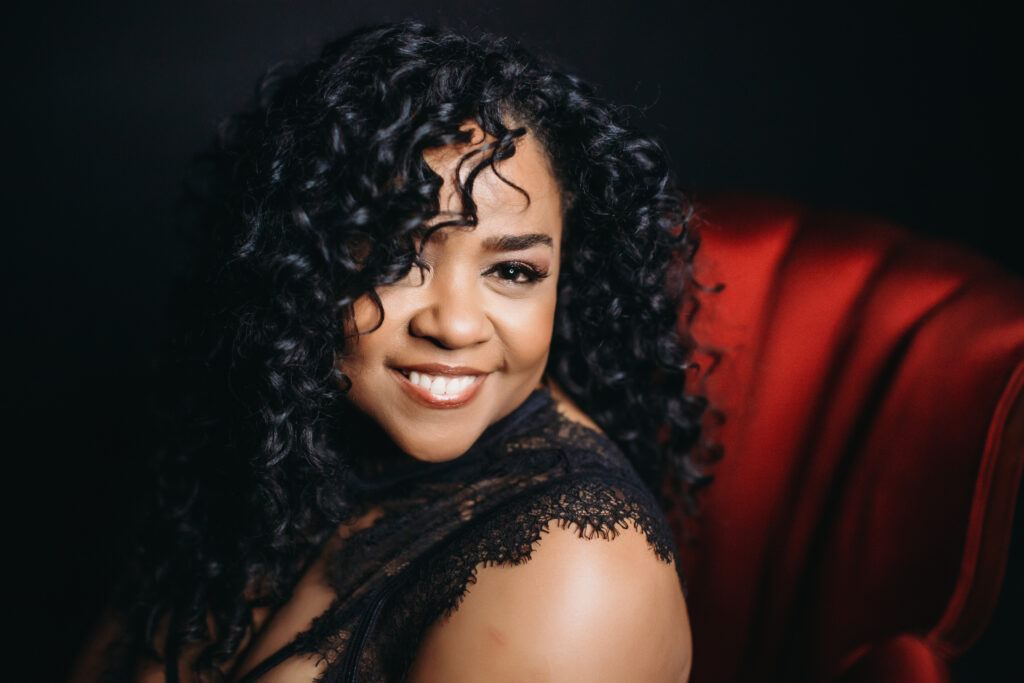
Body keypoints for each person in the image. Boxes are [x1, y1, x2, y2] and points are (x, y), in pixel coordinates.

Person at [70, 20, 711, 683]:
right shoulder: (269, 446)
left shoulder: (578, 569)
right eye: (396, 260)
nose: (455, 326)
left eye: (513, 271)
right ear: (303, 263)